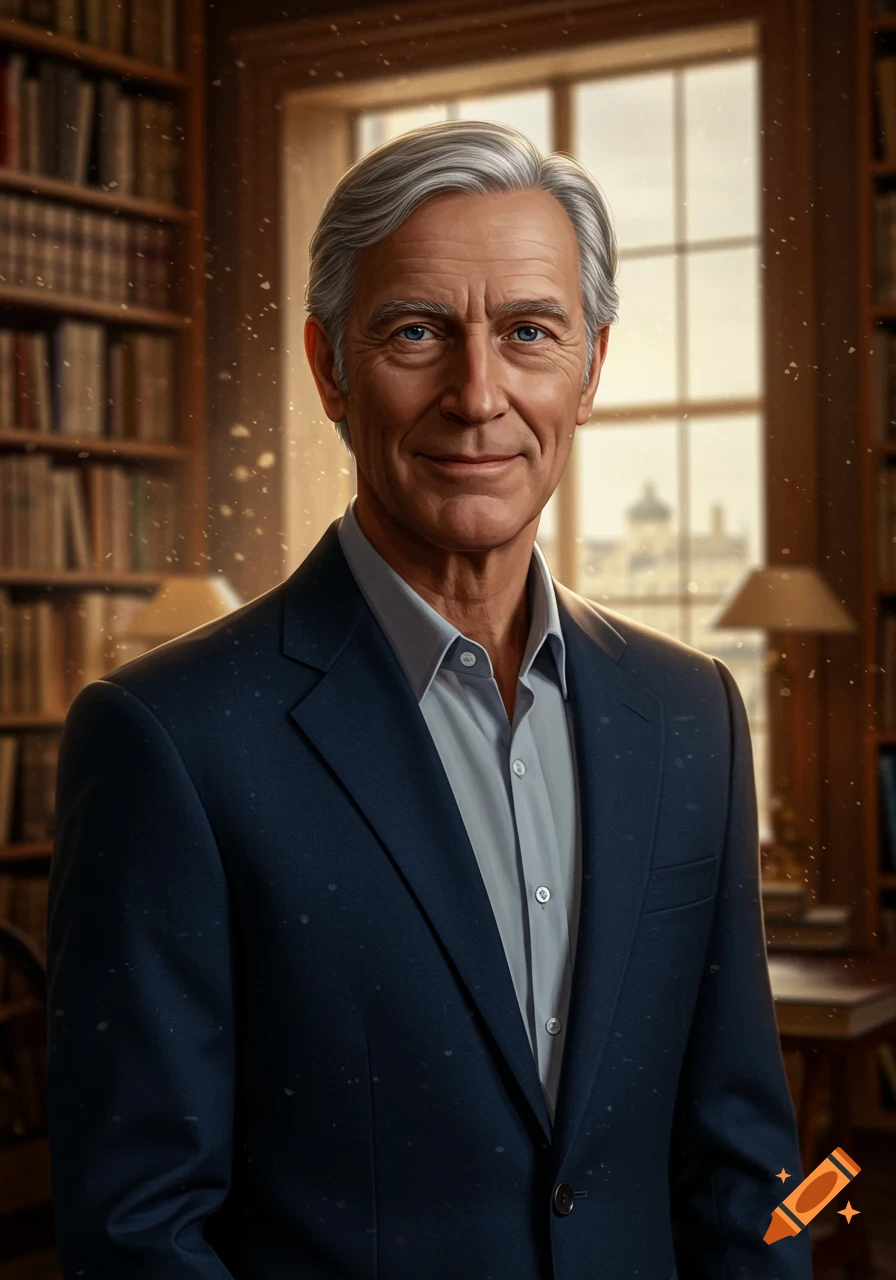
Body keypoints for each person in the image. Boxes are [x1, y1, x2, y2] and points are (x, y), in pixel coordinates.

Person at [46, 121, 812, 1280]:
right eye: (415, 331)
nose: (477, 393)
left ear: (590, 367)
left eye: (528, 332)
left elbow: (750, 1169)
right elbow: (134, 1229)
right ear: (329, 367)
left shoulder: (688, 712)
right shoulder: (172, 738)